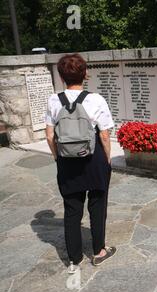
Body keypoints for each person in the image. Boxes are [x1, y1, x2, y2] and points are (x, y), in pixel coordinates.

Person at [45, 53, 116, 272]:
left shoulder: (53, 100)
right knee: (97, 204)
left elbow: (49, 135)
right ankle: (99, 251)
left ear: (61, 76)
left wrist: (58, 157)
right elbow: (104, 135)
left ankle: (74, 258)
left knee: (72, 208)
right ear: (85, 74)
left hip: (67, 160)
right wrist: (108, 158)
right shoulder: (96, 99)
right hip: (93, 159)